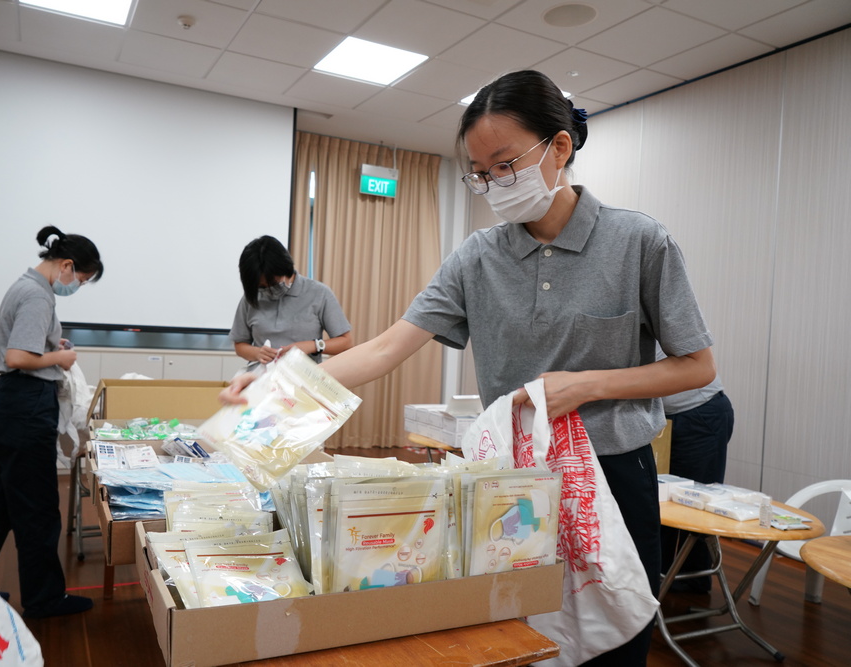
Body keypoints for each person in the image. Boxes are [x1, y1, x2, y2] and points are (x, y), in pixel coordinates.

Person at [222, 70, 716, 664]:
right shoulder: (477, 257)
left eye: (505, 164)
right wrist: (276, 383)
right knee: (515, 634)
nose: (494, 183)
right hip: (510, 480)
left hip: (611, 474)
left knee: (614, 641)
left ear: (559, 146)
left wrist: (587, 385)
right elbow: (383, 349)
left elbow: (695, 366)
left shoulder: (638, 241)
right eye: (481, 173)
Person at [0, 226, 104, 619]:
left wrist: (47, 344)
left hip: (6, 405)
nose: (76, 286)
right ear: (67, 265)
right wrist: (60, 358)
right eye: (81, 280)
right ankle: (44, 599)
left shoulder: (20, 286)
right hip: (25, 407)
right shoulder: (38, 295)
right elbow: (18, 357)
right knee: (37, 510)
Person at [659, 361, 735, 593]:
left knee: (696, 505)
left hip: (698, 413)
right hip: (662, 417)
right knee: (661, 500)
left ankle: (693, 580)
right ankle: (661, 575)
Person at [229, 235, 352, 371]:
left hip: (303, 380)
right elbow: (240, 345)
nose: (269, 290)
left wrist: (312, 346)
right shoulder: (250, 297)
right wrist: (257, 353)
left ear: (286, 268)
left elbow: (346, 342)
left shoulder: (319, 293)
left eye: (274, 284)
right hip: (261, 379)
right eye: (262, 287)